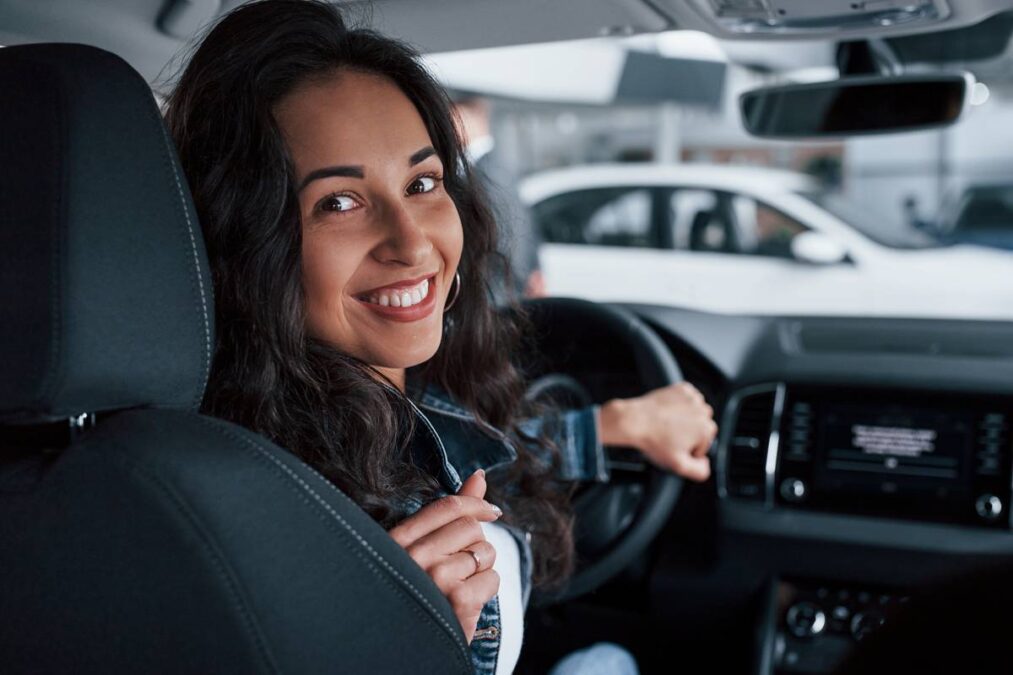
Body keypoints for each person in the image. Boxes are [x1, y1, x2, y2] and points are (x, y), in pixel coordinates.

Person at [165, 2, 717, 673]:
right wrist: (395, 645)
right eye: (338, 201)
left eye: (421, 182)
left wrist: (611, 425)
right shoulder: (246, 509)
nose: (412, 242)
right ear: (244, 241)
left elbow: (483, 463)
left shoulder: (400, 400)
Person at [450, 93, 546, 301]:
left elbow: (507, 239)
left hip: (494, 296)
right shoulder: (485, 166)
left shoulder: (489, 171)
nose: (447, 127)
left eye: (453, 118)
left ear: (470, 117)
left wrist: (495, 297)